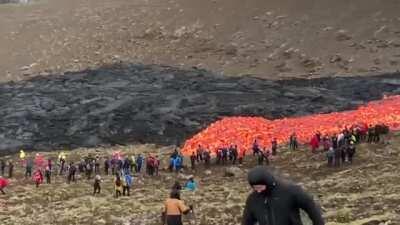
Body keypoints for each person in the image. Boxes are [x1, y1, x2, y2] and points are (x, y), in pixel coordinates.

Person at [242, 166, 325, 225]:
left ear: (268, 182)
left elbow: (310, 206)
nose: (258, 190)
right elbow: (247, 220)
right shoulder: (253, 199)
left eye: (260, 187)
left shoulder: (290, 191)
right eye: (255, 188)